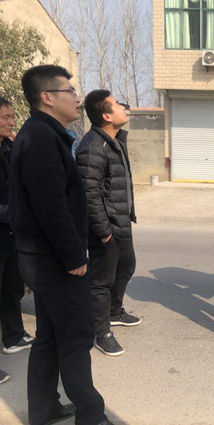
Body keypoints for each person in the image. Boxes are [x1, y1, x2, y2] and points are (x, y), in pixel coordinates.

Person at [10, 65, 112, 425]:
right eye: (69, 91)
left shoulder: (42, 133)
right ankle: (91, 415)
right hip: (54, 259)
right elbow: (51, 205)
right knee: (76, 337)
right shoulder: (40, 138)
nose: (77, 97)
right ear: (47, 97)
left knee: (50, 336)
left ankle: (44, 409)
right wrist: (73, 256)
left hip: (43, 256)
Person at [76, 90, 139, 357]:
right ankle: (101, 333)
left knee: (127, 266)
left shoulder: (114, 140)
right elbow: (88, 195)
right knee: (101, 282)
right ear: (106, 116)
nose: (123, 107)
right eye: (116, 105)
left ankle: (114, 312)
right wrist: (103, 233)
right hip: (106, 228)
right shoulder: (93, 146)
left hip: (120, 221)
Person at [0, 97, 35, 359]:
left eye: (13, 116)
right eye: (6, 118)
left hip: (9, 236)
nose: (12, 122)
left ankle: (13, 336)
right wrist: (13, 213)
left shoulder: (7, 148)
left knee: (11, 288)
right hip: (6, 224)